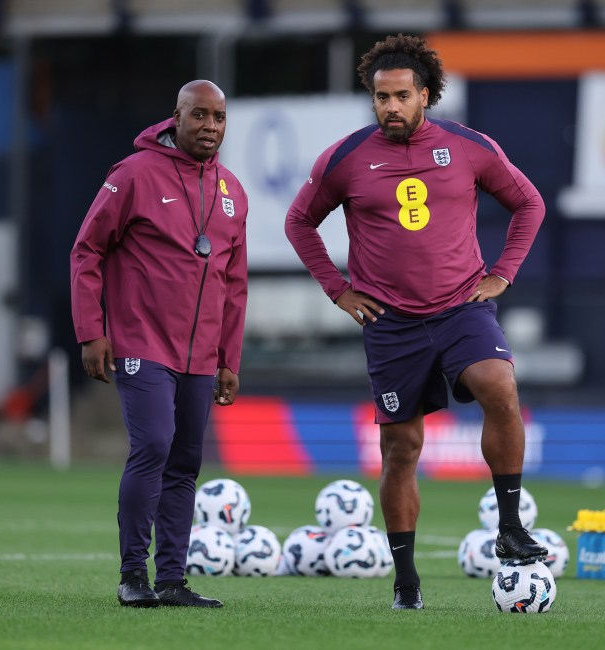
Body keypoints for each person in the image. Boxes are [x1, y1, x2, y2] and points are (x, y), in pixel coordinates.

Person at [285, 35, 547, 610]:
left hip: (461, 307)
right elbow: (299, 222)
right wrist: (338, 291)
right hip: (391, 323)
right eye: (381, 98)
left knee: (499, 386)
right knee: (401, 449)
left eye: (402, 96)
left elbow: (530, 203)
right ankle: (406, 584)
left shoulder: (468, 146)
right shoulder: (344, 157)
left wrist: (502, 273)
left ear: (425, 95)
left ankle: (509, 525)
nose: (391, 108)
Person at [70, 80, 248, 608]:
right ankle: (132, 576)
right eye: (199, 116)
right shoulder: (132, 175)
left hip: (201, 355)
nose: (210, 127)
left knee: (186, 462)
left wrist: (228, 359)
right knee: (153, 446)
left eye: (218, 117)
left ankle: (171, 580)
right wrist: (91, 331)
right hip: (141, 342)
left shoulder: (233, 191)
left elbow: (234, 283)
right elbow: (86, 252)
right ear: (175, 116)